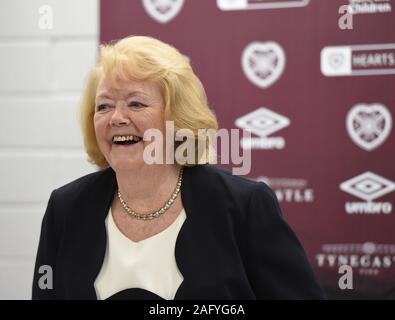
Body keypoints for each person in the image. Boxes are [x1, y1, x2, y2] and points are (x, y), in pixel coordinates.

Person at [32, 35, 325, 300]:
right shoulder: (66, 208)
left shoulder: (243, 206)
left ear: (176, 117)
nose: (116, 118)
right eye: (104, 106)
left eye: (135, 104)